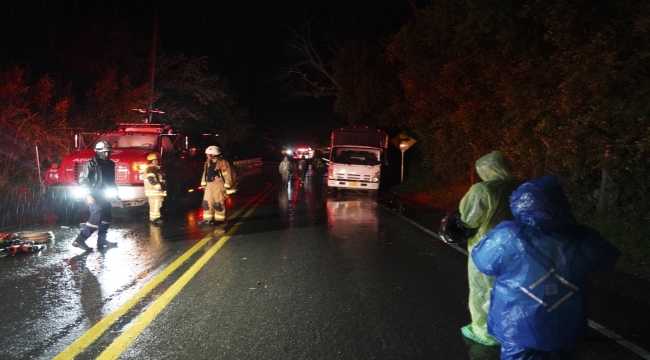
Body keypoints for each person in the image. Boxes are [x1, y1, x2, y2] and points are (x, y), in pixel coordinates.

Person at [472, 176, 619, 359]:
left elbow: (483, 262)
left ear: (520, 204)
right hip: (567, 324)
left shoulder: (509, 236)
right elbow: (607, 263)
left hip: (517, 325)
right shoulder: (584, 237)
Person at [459, 150, 521, 346]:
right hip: (520, 247)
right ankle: (515, 329)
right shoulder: (522, 186)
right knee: (515, 289)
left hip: (487, 249)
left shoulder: (483, 189)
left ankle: (484, 330)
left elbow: (469, 220)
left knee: (484, 289)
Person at [72, 141, 118, 251]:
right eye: (104, 152)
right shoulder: (91, 164)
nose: (106, 154)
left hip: (106, 194)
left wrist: (115, 192)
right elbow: (83, 180)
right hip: (94, 194)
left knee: (107, 217)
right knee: (96, 218)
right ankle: (79, 240)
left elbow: (111, 180)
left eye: (108, 152)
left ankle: (102, 240)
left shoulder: (111, 164)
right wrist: (88, 194)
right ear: (98, 152)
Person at [199, 146, 231, 225]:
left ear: (213, 154)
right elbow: (205, 172)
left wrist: (221, 178)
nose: (206, 155)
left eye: (208, 154)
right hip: (209, 184)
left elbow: (229, 173)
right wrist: (204, 182)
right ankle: (207, 219)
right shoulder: (208, 162)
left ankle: (219, 220)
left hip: (218, 185)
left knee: (218, 203)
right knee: (206, 202)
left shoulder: (223, 162)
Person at [144, 152, 166, 225]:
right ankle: (154, 219)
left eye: (157, 160)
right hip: (154, 191)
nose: (156, 161)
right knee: (155, 205)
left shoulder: (155, 169)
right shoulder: (151, 169)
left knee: (157, 204)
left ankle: (157, 217)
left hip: (156, 192)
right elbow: (151, 180)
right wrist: (159, 188)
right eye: (154, 160)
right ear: (150, 161)